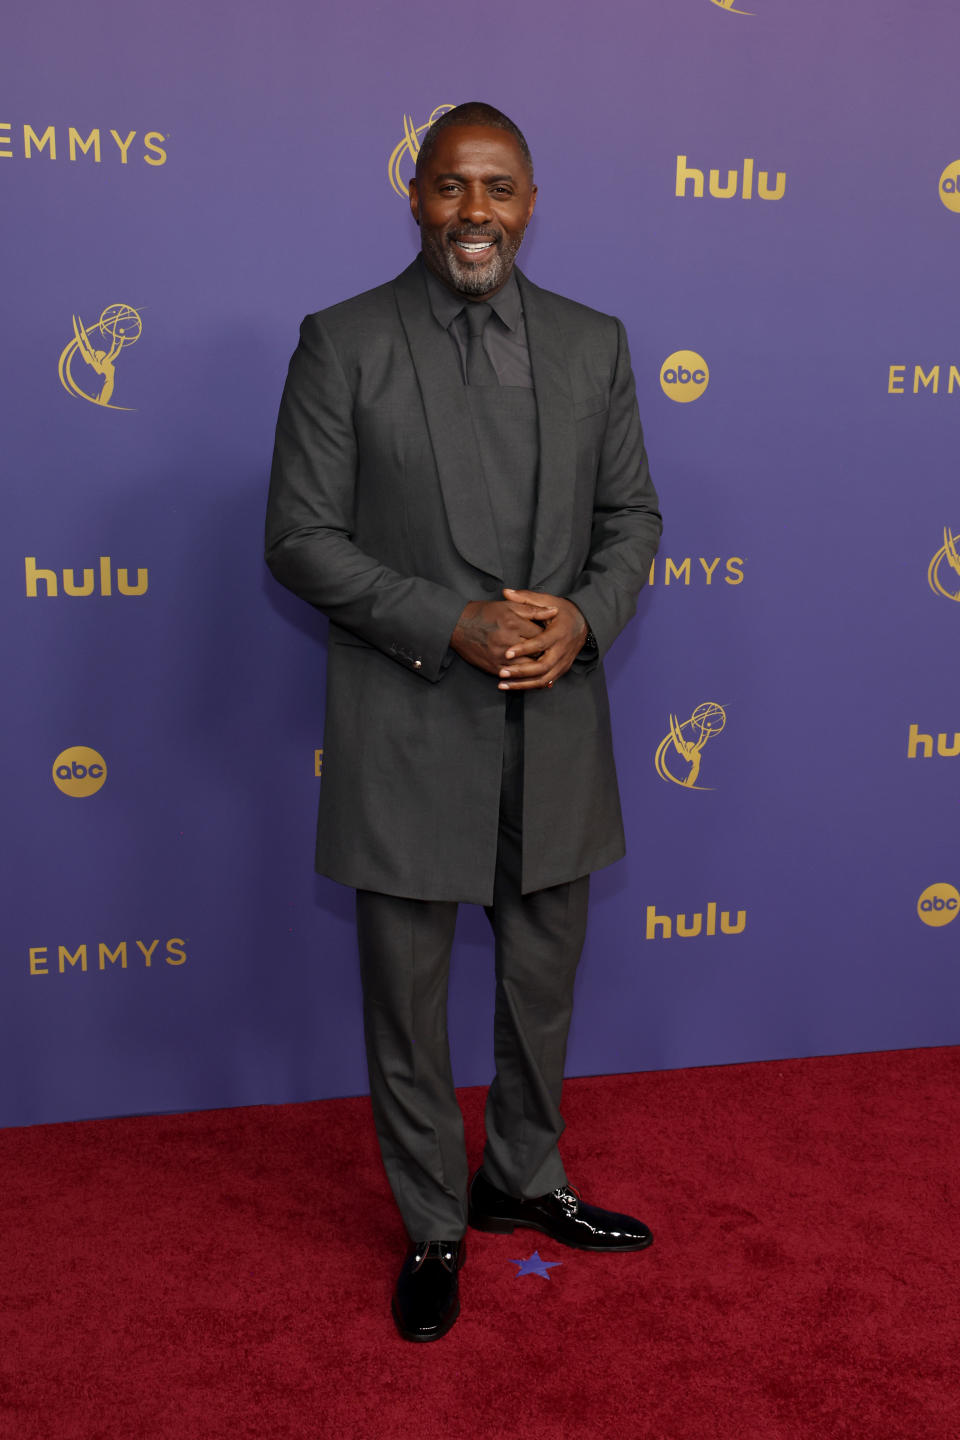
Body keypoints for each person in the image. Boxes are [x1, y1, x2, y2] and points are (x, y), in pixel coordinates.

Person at [265, 102, 662, 1343]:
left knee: (543, 981)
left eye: (497, 188)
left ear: (531, 201)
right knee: (410, 996)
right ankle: (434, 1219)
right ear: (416, 196)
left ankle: (522, 1182)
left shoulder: (597, 344)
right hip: (409, 721)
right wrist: (452, 621)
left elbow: (634, 521)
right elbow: (299, 539)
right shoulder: (344, 343)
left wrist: (584, 619)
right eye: (450, 186)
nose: (473, 211)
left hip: (557, 725)